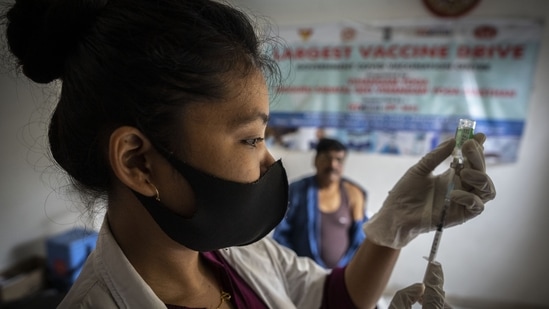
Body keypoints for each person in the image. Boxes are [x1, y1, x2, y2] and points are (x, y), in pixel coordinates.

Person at [2, 0, 496, 308]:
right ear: (137, 161)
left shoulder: (235, 251)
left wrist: (393, 226)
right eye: (251, 139)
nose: (268, 163)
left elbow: (329, 299)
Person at [273, 138, 368, 268]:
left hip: (342, 276)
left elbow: (360, 240)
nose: (333, 165)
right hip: (303, 274)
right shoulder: (297, 191)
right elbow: (281, 235)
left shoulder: (354, 194)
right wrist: (295, 267)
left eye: (339, 160)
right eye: (327, 158)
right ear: (316, 160)